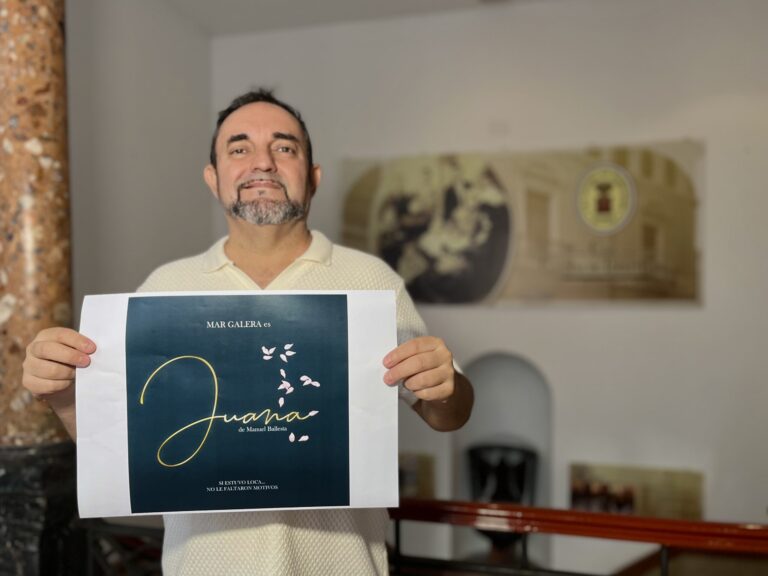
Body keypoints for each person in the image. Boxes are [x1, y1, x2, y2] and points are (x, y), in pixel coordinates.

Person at [22, 89, 474, 575]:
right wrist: (66, 397)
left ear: (313, 177)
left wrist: (444, 385)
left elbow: (449, 415)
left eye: (284, 147)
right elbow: (121, 449)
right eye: (240, 148)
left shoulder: (372, 282)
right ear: (213, 178)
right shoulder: (165, 288)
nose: (263, 162)